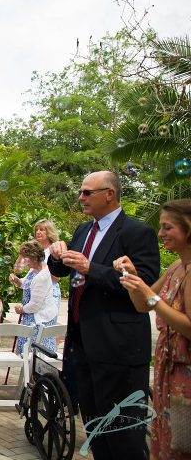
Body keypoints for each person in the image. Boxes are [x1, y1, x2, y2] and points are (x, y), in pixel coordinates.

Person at [48, 170, 160, 459]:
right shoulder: (84, 231)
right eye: (81, 192)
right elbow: (61, 270)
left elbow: (144, 282)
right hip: (82, 345)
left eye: (88, 192)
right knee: (95, 426)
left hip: (118, 347)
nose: (81, 197)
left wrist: (90, 269)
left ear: (109, 194)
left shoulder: (137, 232)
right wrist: (56, 254)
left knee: (123, 434)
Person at [115, 199, 191, 460]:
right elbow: (141, 305)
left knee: (183, 444)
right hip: (166, 373)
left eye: (168, 227)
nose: (161, 234)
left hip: (186, 376)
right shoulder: (175, 268)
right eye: (161, 227)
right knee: (168, 441)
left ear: (188, 229)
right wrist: (132, 276)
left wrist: (150, 295)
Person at [10, 240, 58, 354]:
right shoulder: (34, 270)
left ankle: (30, 371)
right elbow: (26, 284)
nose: (24, 262)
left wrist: (21, 309)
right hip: (31, 316)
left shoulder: (42, 276)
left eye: (26, 258)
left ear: (34, 257)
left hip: (38, 319)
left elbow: (35, 305)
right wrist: (18, 281)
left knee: (33, 355)